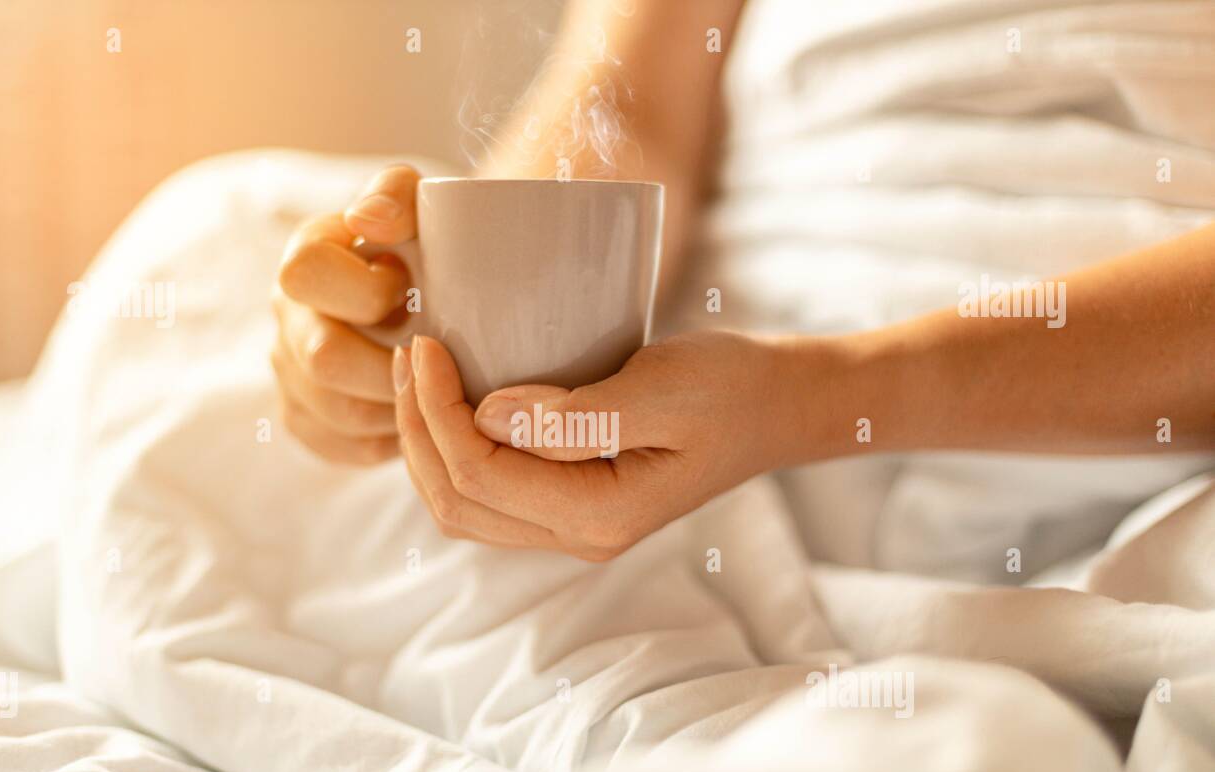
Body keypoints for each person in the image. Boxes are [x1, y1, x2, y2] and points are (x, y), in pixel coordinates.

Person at [270, 0, 1214, 563]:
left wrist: (815, 399)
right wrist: (454, 297)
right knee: (215, 226)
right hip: (701, 396)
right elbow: (620, 106)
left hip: (1139, 444)